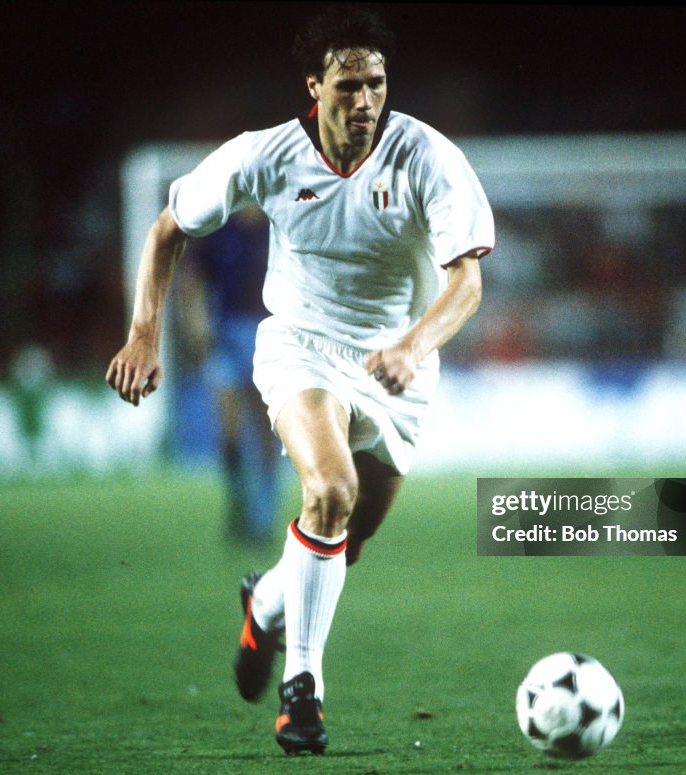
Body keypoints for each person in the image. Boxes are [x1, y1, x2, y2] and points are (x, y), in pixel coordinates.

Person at [106, 7, 493, 755]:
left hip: (397, 364)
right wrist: (145, 333)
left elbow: (467, 284)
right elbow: (167, 230)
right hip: (301, 348)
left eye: (376, 82)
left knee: (348, 535)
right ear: (314, 87)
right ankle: (303, 689)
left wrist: (413, 345)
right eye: (349, 84)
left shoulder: (427, 157)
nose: (366, 100)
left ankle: (268, 600)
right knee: (331, 492)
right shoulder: (264, 156)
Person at [178, 207, 281, 543]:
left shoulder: (279, 226)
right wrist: (196, 326)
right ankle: (238, 504)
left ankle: (263, 514)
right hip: (225, 334)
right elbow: (192, 281)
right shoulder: (219, 231)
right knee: (229, 432)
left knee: (267, 429)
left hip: (270, 335)